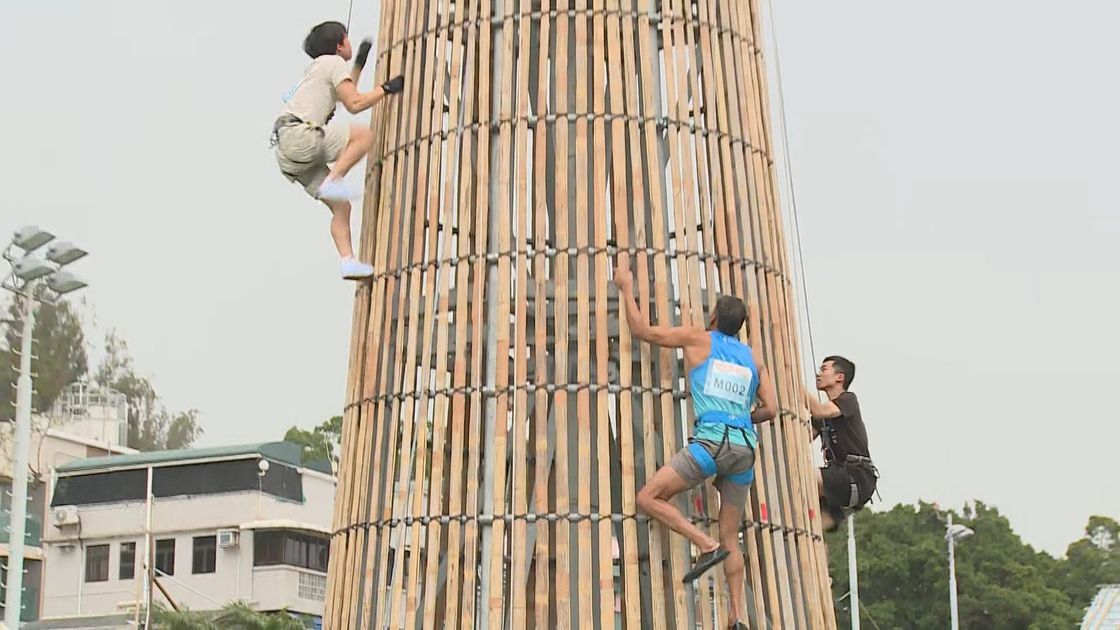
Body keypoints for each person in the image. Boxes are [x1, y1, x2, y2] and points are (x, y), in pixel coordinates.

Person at [614, 259, 777, 630]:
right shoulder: (753, 357)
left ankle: (702, 543)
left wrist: (625, 286)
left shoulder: (698, 338)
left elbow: (643, 331)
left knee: (648, 498)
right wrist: (740, 418)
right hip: (745, 451)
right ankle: (736, 615)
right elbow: (772, 408)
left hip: (711, 444)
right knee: (730, 535)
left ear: (715, 315)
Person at [272, 21, 405, 280]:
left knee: (341, 208)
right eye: (347, 38)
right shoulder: (332, 64)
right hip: (299, 135)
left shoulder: (318, 70)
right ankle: (333, 181)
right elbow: (354, 103)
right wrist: (386, 89)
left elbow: (345, 93)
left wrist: (359, 64)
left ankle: (347, 262)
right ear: (339, 44)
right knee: (364, 136)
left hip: (287, 151)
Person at [805, 356, 878, 532]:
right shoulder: (822, 417)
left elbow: (821, 410)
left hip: (855, 476)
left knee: (803, 476)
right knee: (814, 529)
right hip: (841, 478)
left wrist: (795, 388)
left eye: (824, 369)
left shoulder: (848, 400)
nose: (818, 374)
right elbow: (803, 438)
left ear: (840, 377)